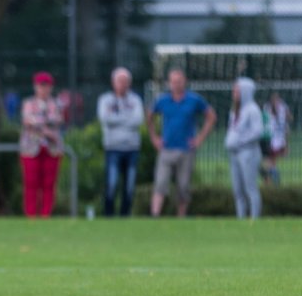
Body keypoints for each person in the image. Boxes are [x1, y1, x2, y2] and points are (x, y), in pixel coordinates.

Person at [148, 68, 215, 217]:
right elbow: (149, 115)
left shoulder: (194, 100)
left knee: (183, 186)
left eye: (179, 81)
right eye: (173, 82)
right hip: (166, 148)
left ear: (184, 82)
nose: (176, 84)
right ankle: (155, 214)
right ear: (169, 83)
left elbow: (211, 116)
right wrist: (154, 137)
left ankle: (181, 216)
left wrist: (199, 138)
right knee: (160, 183)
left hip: (186, 149)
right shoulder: (163, 100)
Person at [96, 67, 145, 217]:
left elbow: (138, 120)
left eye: (125, 81)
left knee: (129, 186)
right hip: (112, 148)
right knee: (112, 183)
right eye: (119, 81)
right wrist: (126, 119)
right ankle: (109, 215)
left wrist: (116, 119)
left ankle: (125, 216)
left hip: (132, 148)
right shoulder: (105, 100)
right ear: (113, 82)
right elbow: (105, 119)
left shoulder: (135, 100)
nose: (123, 84)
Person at [20, 71, 65, 217]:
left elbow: (58, 119)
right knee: (31, 182)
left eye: (46, 86)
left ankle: (46, 214)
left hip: (51, 148)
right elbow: (27, 121)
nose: (43, 89)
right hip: (31, 148)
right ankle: (31, 214)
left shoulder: (56, 103)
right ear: (36, 87)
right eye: (41, 86)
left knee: (49, 183)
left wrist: (38, 123)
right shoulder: (28, 103)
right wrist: (46, 128)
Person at [224, 77, 263, 220]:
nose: (234, 93)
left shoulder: (252, 110)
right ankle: (240, 217)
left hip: (248, 153)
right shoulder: (235, 110)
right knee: (237, 189)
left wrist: (240, 141)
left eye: (237, 91)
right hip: (234, 153)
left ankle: (254, 218)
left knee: (250, 188)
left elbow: (257, 131)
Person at [262, 91, 291, 184]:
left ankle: (272, 180)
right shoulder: (267, 109)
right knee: (269, 162)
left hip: (277, 141)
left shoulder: (282, 110)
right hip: (268, 139)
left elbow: (289, 120)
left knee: (271, 162)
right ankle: (272, 179)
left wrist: (286, 144)